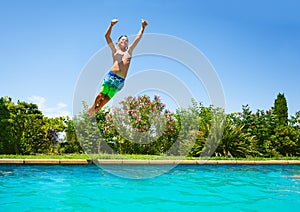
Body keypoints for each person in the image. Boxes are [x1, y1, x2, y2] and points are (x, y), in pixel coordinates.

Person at [87, 19, 148, 114]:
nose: (125, 41)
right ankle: (93, 106)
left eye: (126, 40)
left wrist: (142, 27)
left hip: (120, 80)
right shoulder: (115, 50)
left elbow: (137, 38)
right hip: (111, 76)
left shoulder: (129, 52)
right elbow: (107, 36)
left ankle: (97, 109)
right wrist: (111, 25)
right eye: (122, 39)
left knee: (107, 98)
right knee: (101, 95)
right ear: (118, 42)